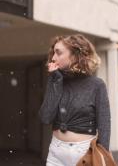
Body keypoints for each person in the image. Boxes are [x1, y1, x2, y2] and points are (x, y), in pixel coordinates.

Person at [38, 34, 111, 166]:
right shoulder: (55, 80)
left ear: (75, 54)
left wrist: (102, 155)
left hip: (84, 154)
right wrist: (56, 81)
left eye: (58, 53)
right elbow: (45, 117)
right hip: (56, 153)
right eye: (53, 53)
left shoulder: (97, 85)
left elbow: (104, 124)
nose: (53, 58)